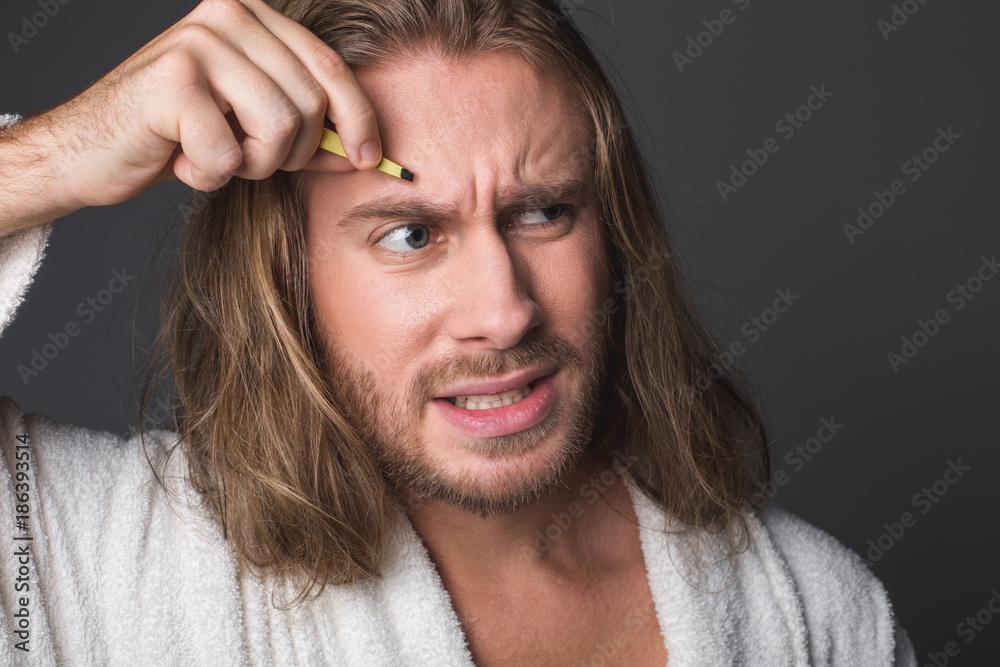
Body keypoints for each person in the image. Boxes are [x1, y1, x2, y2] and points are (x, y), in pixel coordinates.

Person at [0, 0, 916, 664]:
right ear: (286, 279)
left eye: (544, 212)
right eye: (411, 233)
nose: (504, 311)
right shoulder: (112, 563)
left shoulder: (816, 616)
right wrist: (48, 159)